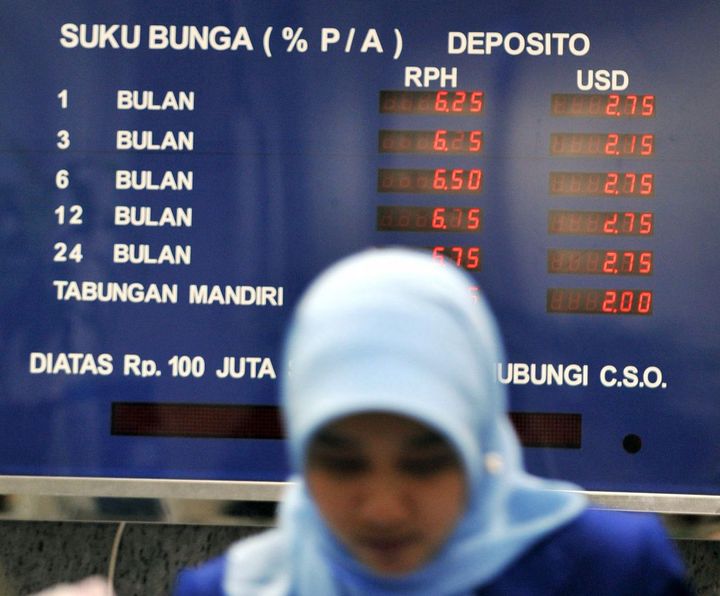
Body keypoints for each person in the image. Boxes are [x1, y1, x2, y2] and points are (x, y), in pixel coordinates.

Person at [175, 248, 692, 595]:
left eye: (424, 464)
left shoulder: (614, 574)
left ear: (479, 440)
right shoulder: (238, 588)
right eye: (342, 465)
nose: (382, 509)